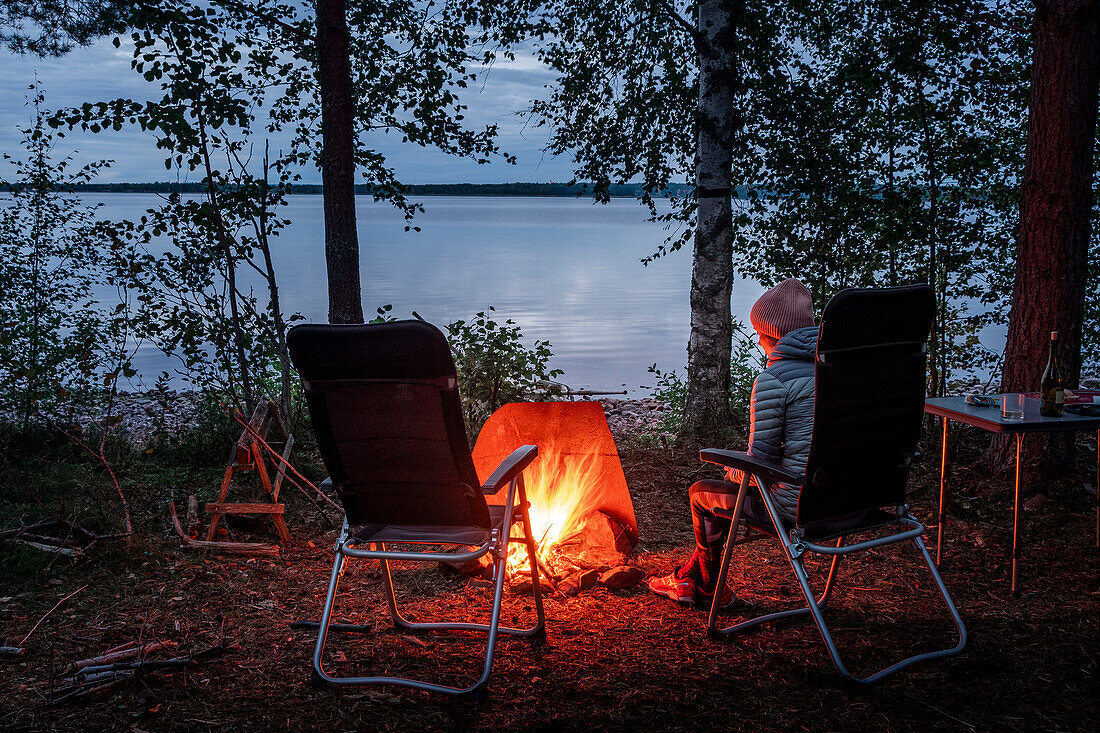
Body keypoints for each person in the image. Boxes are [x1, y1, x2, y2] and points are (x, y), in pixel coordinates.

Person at [649, 278, 817, 606]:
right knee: (732, 489)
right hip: (846, 502)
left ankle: (710, 590)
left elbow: (761, 468)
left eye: (759, 333)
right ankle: (689, 577)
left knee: (702, 494)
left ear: (772, 335)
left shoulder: (775, 381)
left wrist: (732, 470)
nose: (757, 339)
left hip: (796, 508)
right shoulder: (837, 372)